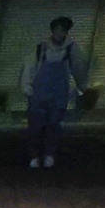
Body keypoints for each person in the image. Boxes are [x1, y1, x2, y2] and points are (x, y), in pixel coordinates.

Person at [25, 17, 86, 168]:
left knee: (54, 124)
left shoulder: (71, 48)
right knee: (36, 125)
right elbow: (30, 67)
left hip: (59, 94)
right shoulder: (41, 47)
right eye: (58, 29)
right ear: (53, 31)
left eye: (63, 30)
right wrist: (27, 86)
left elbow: (79, 68)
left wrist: (81, 87)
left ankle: (49, 155)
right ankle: (34, 156)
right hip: (39, 93)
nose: (60, 33)